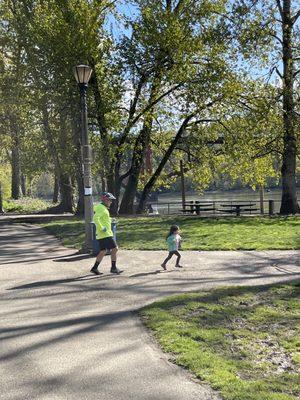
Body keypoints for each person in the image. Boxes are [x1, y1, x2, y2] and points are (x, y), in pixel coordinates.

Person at [90, 192, 123, 275]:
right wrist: (102, 228)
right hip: (105, 234)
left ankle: (94, 268)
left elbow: (102, 218)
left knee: (103, 251)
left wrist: (110, 219)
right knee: (115, 249)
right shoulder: (101, 208)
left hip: (102, 234)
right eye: (109, 200)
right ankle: (113, 268)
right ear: (105, 200)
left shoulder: (102, 208)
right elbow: (96, 218)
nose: (111, 202)